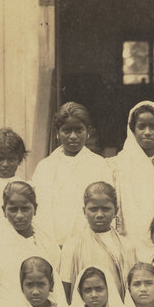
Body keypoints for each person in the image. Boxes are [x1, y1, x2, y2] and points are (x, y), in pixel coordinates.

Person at [30, 102, 114, 247]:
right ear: (57, 132)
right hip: (51, 244)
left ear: (87, 131)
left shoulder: (99, 165)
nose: (73, 136)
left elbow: (107, 207)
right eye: (67, 131)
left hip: (88, 243)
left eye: (78, 130)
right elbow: (39, 209)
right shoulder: (45, 166)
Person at [113, 101, 154, 251]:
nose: (147, 132)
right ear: (132, 130)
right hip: (127, 236)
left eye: (153, 127)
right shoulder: (118, 164)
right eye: (141, 126)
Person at [59, 181, 136, 304]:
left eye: (106, 209)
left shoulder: (126, 246)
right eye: (93, 209)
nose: (99, 215)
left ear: (116, 210)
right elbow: (65, 288)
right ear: (84, 211)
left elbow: (131, 286)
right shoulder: (72, 245)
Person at [0, 181, 61, 299]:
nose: (19, 215)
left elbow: (55, 288)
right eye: (13, 210)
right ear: (4, 210)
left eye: (25, 209)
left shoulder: (47, 243)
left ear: (35, 208)